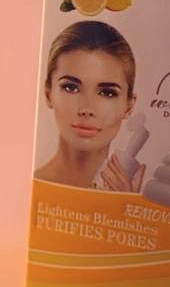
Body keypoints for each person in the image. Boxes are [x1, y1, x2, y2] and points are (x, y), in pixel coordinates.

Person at [34, 20, 143, 191]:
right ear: (48, 93)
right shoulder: (30, 188)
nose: (86, 109)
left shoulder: (141, 195)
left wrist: (125, 203)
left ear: (129, 106)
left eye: (107, 93)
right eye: (71, 88)